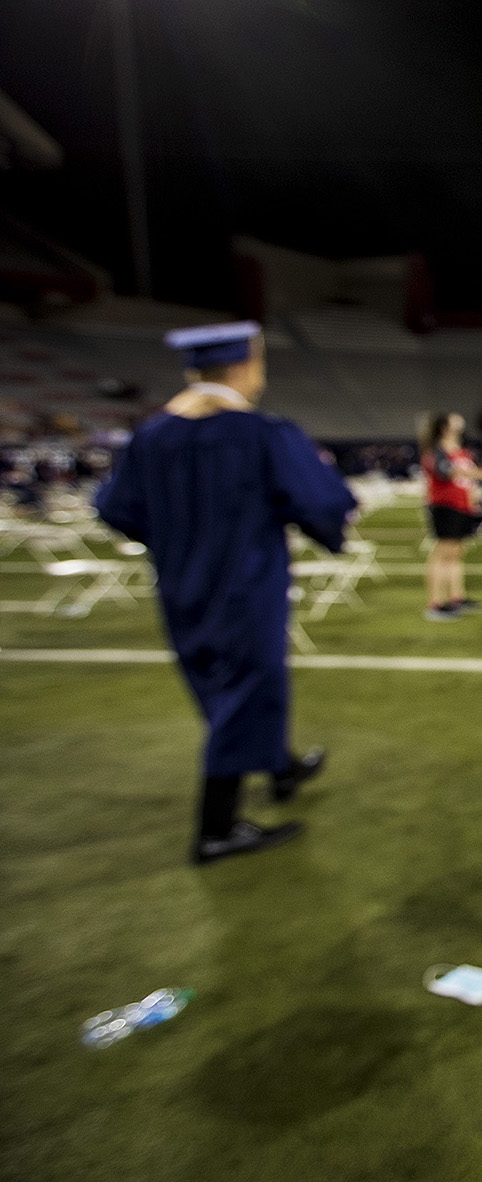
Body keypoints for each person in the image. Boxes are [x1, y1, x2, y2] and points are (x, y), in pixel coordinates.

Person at [95, 322, 355, 864]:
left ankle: (280, 767)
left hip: (180, 584)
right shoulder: (261, 434)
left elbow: (116, 509)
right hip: (246, 581)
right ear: (245, 365)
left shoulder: (150, 436)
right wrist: (324, 532)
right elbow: (322, 502)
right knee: (248, 682)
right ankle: (217, 828)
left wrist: (175, 540)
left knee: (218, 679)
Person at [422, 412, 482, 622]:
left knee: (457, 553)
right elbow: (449, 473)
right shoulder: (437, 451)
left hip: (462, 507)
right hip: (445, 506)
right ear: (444, 426)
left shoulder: (461, 451)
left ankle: (456, 597)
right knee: (442, 553)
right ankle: (435, 603)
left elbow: (465, 480)